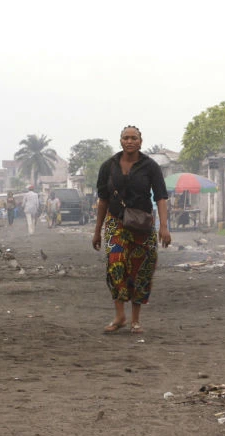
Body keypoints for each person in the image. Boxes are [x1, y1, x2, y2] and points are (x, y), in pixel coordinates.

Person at [92, 125, 170, 334]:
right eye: (126, 138)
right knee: (115, 264)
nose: (130, 141)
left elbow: (161, 197)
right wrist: (97, 230)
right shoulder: (108, 166)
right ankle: (120, 315)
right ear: (120, 141)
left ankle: (136, 320)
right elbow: (103, 199)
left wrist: (163, 227)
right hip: (116, 223)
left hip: (143, 226)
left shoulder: (150, 166)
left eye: (133, 138)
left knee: (141, 270)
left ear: (140, 142)